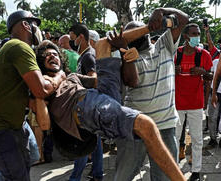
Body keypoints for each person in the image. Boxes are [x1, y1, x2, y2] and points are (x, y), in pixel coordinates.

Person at [33, 40, 186, 181]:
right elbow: (45, 125)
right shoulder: (43, 85)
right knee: (146, 125)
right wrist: (44, 90)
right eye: (47, 55)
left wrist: (126, 59)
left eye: (55, 53)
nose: (52, 56)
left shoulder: (71, 77)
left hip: (100, 96)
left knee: (102, 44)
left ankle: (147, 28)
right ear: (40, 62)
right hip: (84, 106)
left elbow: (98, 80)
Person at [0, 10, 65, 181]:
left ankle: (3, 175)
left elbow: (30, 95)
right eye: (35, 25)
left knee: (31, 157)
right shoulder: (18, 46)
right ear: (26, 25)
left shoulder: (20, 48)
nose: (38, 30)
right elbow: (41, 89)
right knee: (18, 176)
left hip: (14, 122)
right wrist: (60, 75)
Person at [114, 7, 189, 181]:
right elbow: (130, 81)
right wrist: (125, 52)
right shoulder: (129, 57)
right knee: (123, 176)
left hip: (165, 126)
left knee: (163, 177)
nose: (134, 37)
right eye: (129, 35)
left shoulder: (164, 44)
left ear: (147, 32)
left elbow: (184, 19)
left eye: (137, 32)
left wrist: (160, 10)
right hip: (136, 126)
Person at [175, 23, 213, 180]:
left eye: (198, 33)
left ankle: (196, 171)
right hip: (177, 104)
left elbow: (211, 76)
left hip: (196, 104)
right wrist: (172, 70)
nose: (197, 36)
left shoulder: (204, 54)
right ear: (186, 36)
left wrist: (203, 72)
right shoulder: (175, 54)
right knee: (175, 138)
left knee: (197, 139)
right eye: (194, 34)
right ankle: (174, 168)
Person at [68, 24, 102, 181]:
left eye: (72, 37)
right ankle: (97, 174)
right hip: (88, 104)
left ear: (81, 37)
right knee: (94, 142)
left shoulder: (88, 56)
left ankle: (75, 178)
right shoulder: (84, 55)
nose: (71, 41)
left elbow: (94, 80)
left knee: (82, 142)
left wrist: (75, 78)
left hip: (87, 105)